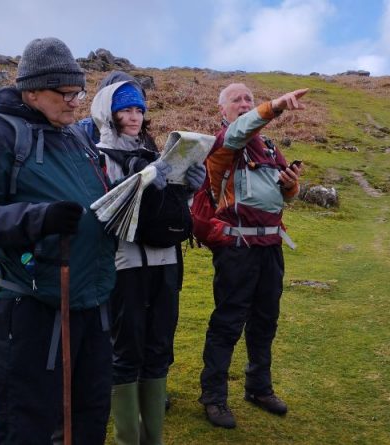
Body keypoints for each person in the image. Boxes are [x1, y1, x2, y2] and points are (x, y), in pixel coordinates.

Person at [0, 37, 116, 443]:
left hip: (92, 306)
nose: (77, 102)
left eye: (79, 91)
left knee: (89, 419)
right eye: (66, 93)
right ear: (32, 90)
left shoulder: (75, 137)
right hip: (33, 309)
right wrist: (39, 217)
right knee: (27, 425)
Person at [89, 80, 205, 444]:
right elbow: (102, 212)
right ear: (109, 113)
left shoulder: (156, 150)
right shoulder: (96, 156)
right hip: (125, 266)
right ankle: (128, 439)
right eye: (125, 110)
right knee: (125, 351)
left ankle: (152, 438)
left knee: (159, 348)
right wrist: (139, 182)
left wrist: (187, 188)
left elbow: (170, 211)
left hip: (166, 263)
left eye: (139, 110)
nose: (134, 117)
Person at [198, 83, 305, 429]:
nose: (244, 104)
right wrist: (274, 106)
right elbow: (243, 129)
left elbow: (286, 197)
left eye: (248, 99)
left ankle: (258, 388)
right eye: (236, 100)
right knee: (228, 323)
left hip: (271, 247)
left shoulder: (271, 148)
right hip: (237, 250)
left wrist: (289, 184)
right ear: (223, 112)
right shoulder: (224, 143)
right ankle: (213, 396)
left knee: (265, 321)